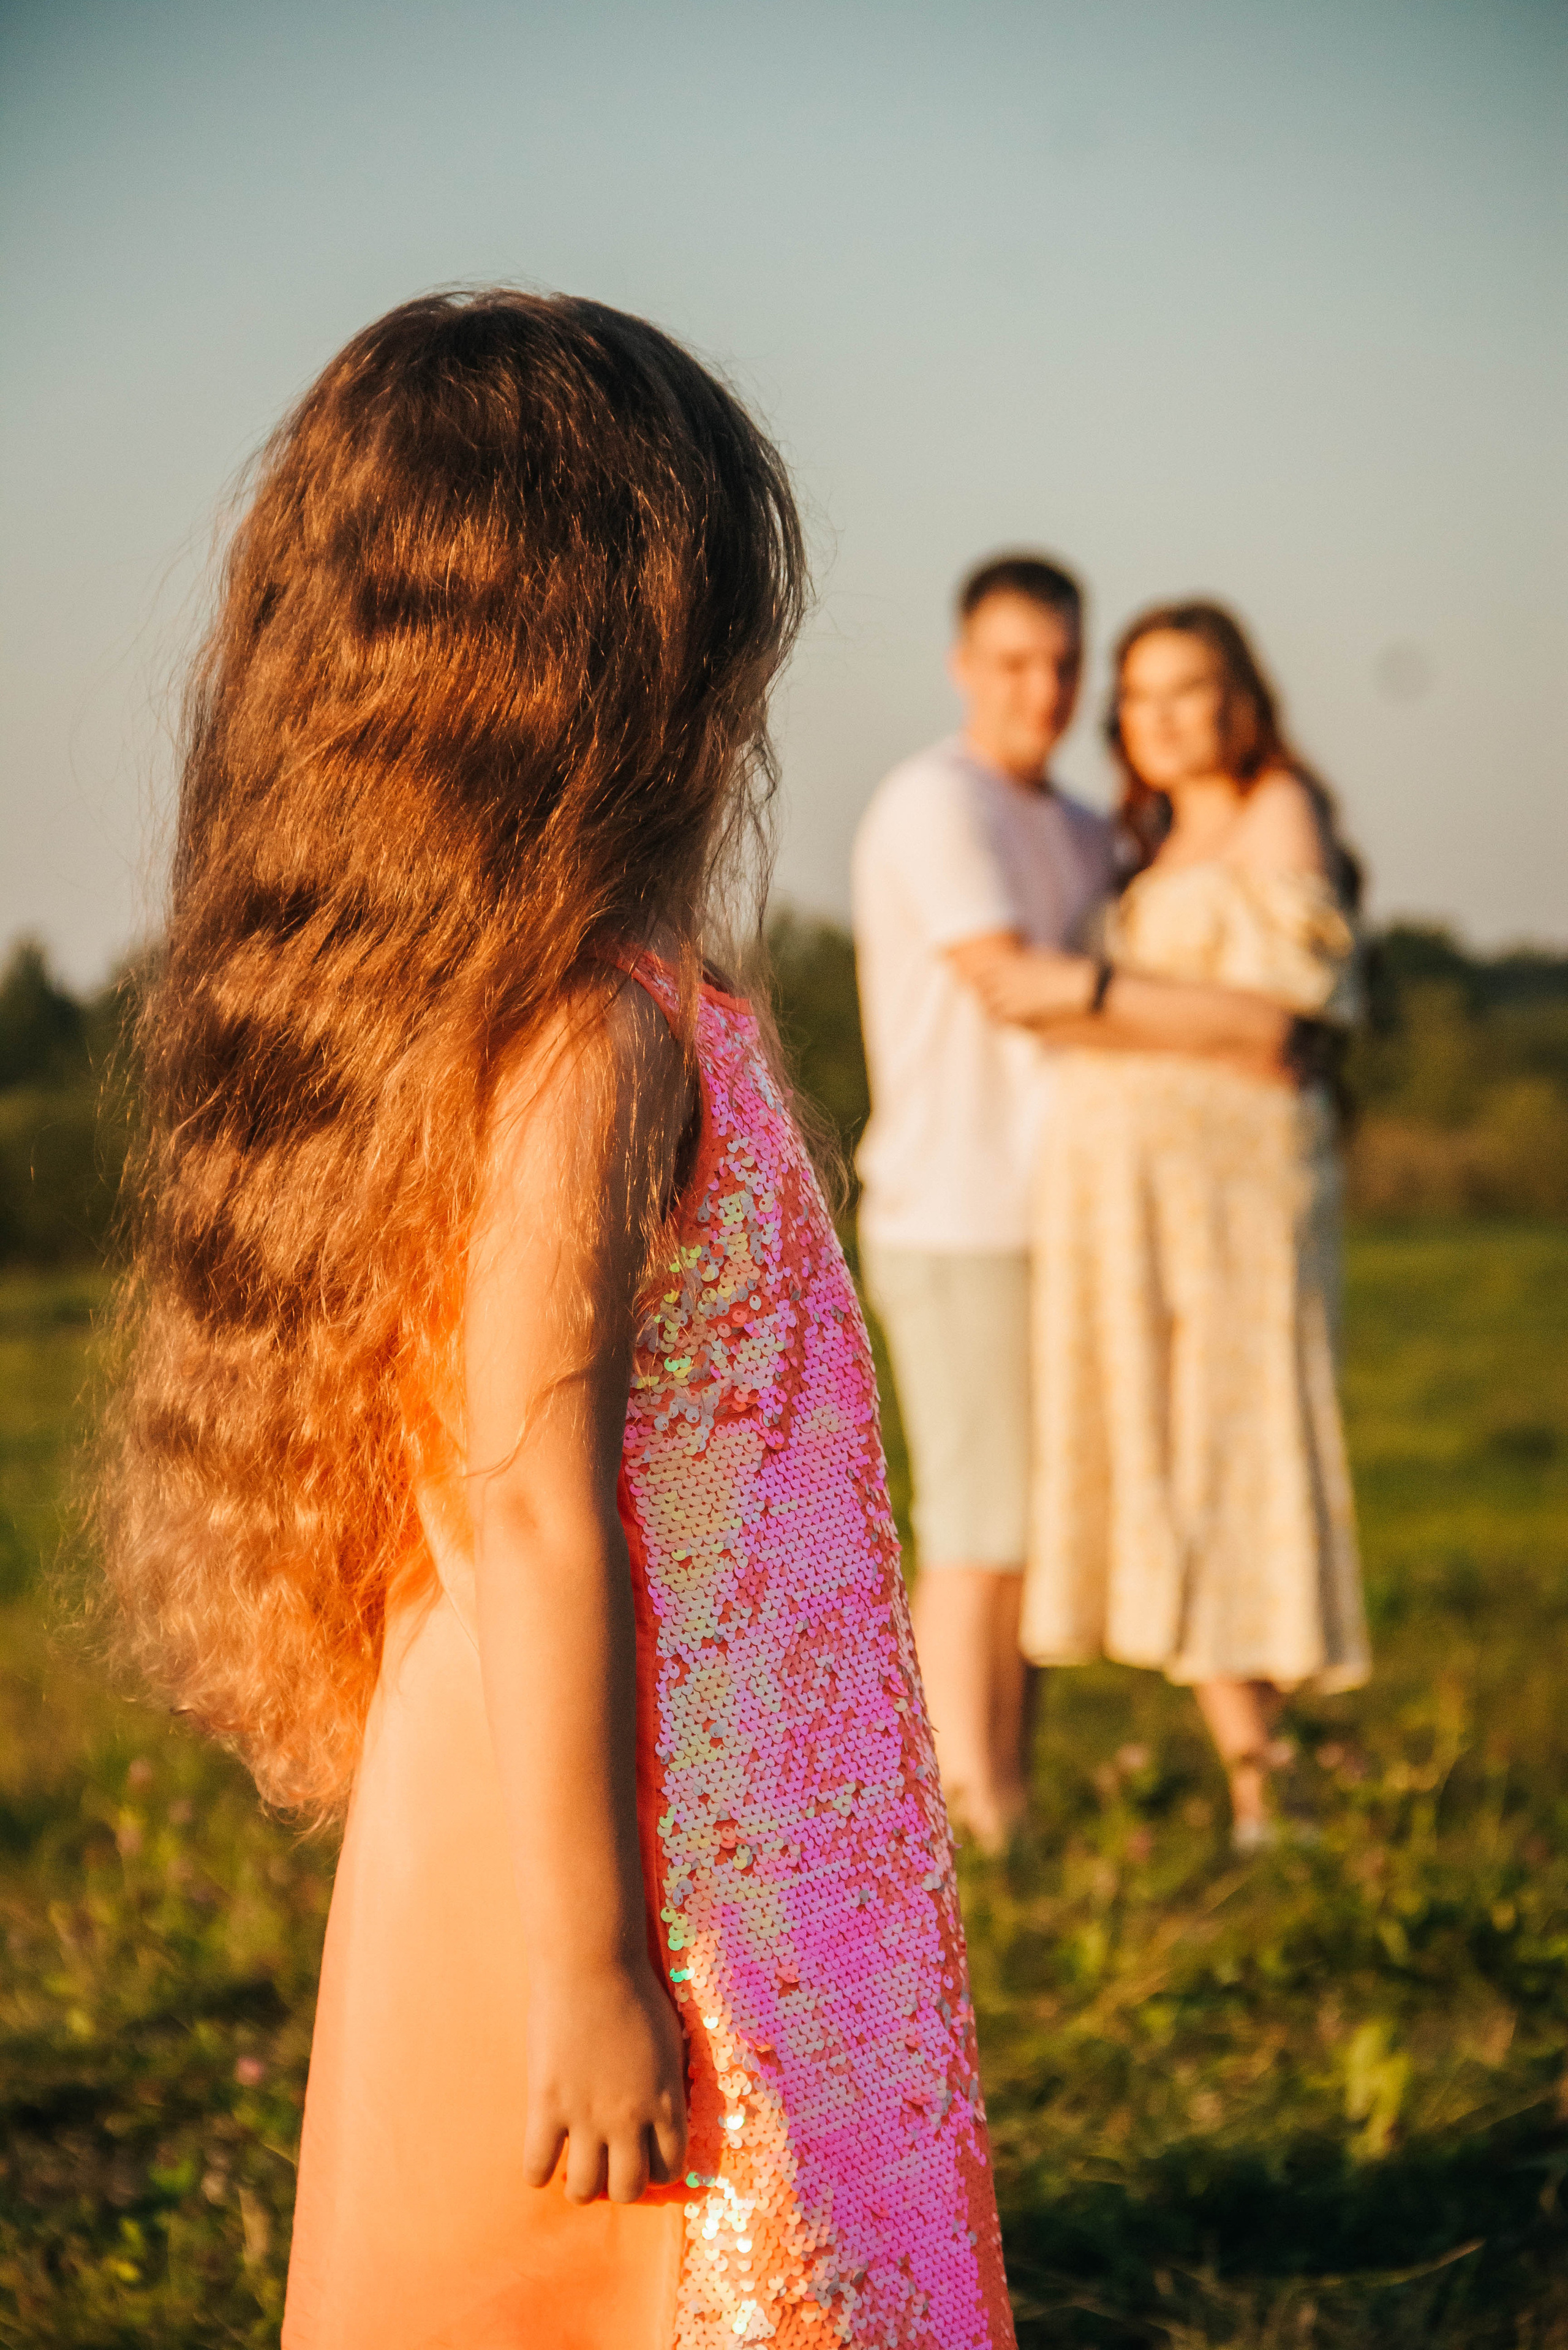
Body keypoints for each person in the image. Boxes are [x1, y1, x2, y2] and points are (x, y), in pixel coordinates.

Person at [97, 293, 1015, 2349]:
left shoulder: (614, 1017)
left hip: (714, 1797)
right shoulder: (585, 1052)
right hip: (614, 1850)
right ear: (617, 656)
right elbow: (531, 1509)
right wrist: (594, 1965)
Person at [973, 602, 1371, 1850]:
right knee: (1172, 1453)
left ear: (1240, 699)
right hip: (1134, 1205)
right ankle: (1267, 1774)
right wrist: (1141, 1012)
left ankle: (1274, 1778)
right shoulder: (1137, 846)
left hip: (1235, 1205)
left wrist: (1088, 998)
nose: (1159, 718)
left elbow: (1274, 1023)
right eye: (1137, 697)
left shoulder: (1277, 810)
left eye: (1187, 689)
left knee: (1237, 1446)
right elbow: (1193, 1019)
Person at [850, 555, 1115, 1850]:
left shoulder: (1078, 826)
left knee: (1036, 1528)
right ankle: (967, 1817)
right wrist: (1234, 1021)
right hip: (953, 1211)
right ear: (963, 665)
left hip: (1056, 1217)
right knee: (976, 1523)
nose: (1042, 688)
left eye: (1062, 662)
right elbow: (1006, 980)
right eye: (1013, 661)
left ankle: (1001, 1788)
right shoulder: (930, 800)